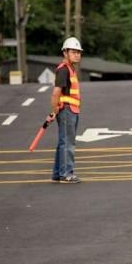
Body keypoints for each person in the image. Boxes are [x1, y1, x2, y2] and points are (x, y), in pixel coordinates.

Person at [49, 36, 83, 183]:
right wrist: (55, 110)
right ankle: (66, 174)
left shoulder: (69, 70)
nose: (77, 54)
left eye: (78, 52)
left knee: (64, 142)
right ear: (65, 53)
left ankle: (58, 173)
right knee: (68, 142)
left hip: (71, 110)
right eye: (73, 51)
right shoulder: (64, 70)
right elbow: (56, 92)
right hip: (67, 111)